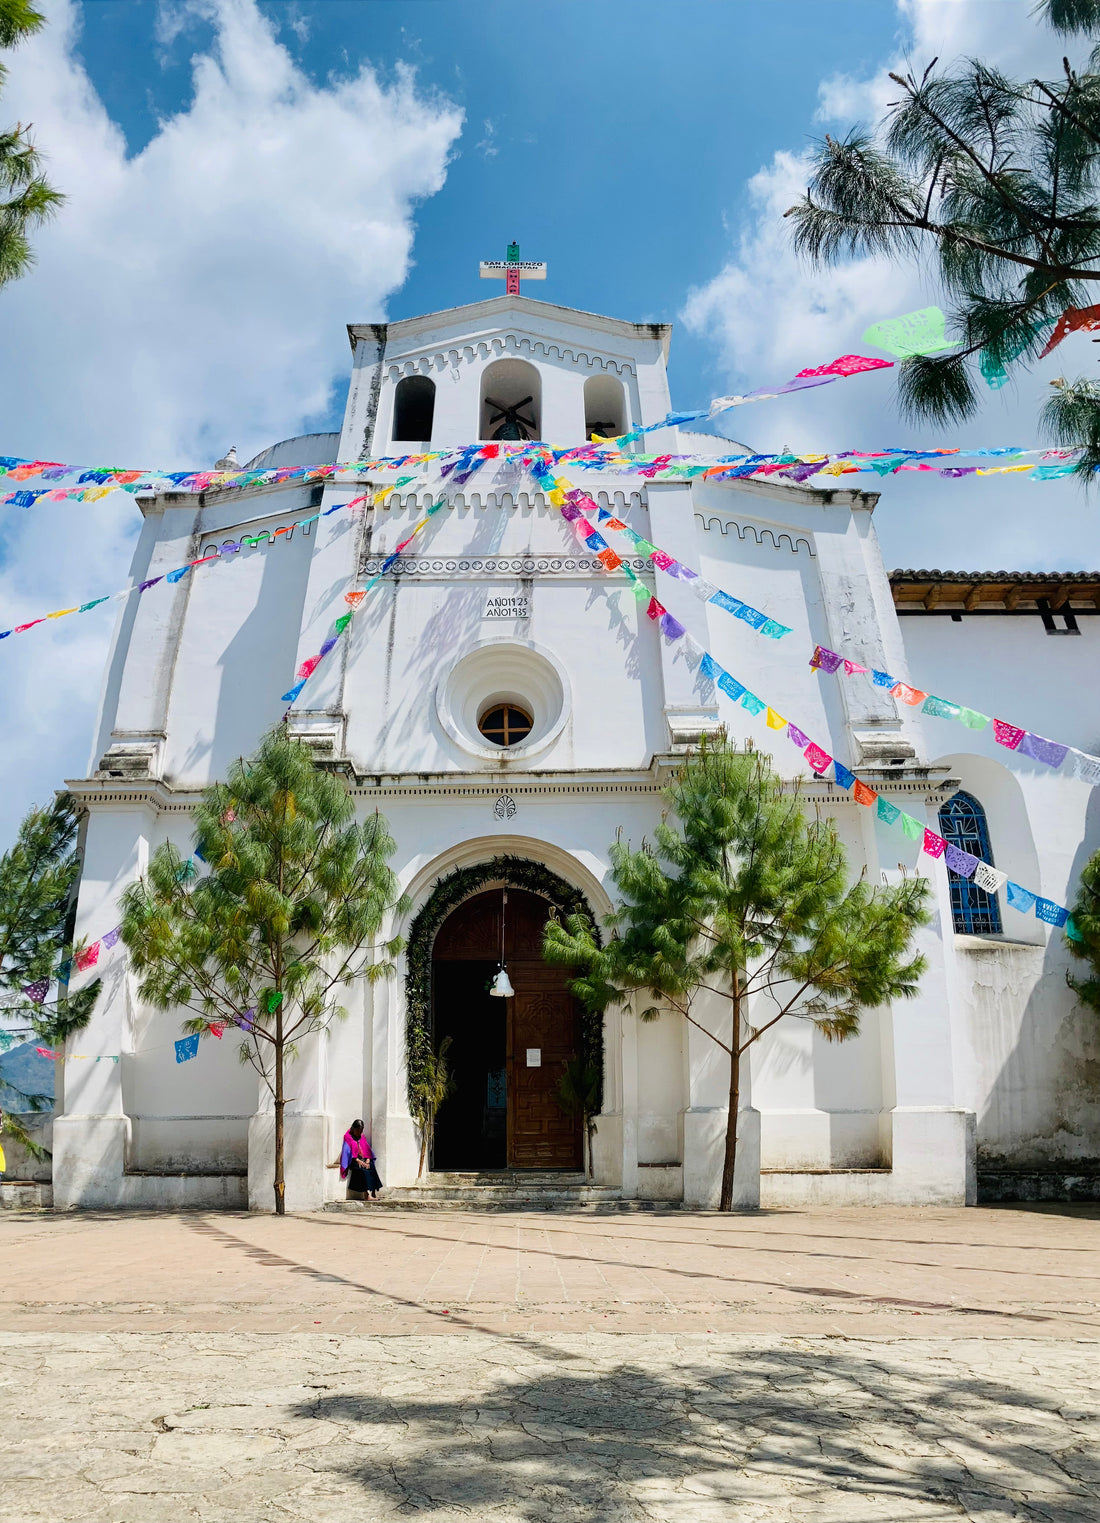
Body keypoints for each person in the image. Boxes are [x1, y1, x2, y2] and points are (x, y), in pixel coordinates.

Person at [339, 1119, 381, 1201]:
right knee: (362, 1169)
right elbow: (347, 1152)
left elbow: (366, 1148)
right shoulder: (348, 1137)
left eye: (361, 1131)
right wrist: (358, 1160)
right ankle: (366, 1195)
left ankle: (373, 1192)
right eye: (358, 1131)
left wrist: (368, 1159)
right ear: (353, 1129)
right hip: (353, 1160)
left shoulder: (362, 1136)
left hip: (363, 1158)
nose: (359, 1133)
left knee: (371, 1166)